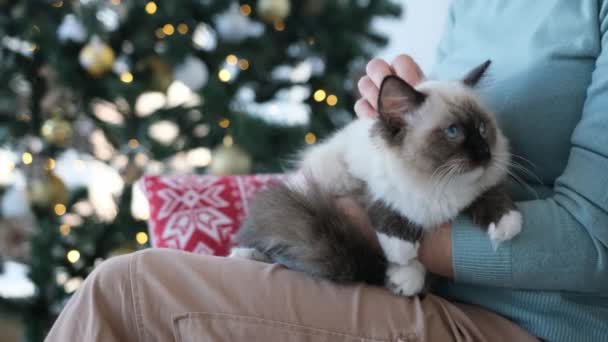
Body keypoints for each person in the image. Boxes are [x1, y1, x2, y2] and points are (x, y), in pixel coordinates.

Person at [46, 1, 608, 341]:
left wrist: (387, 232)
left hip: (532, 326)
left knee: (128, 294)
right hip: (426, 294)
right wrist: (402, 128)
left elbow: (594, 241)